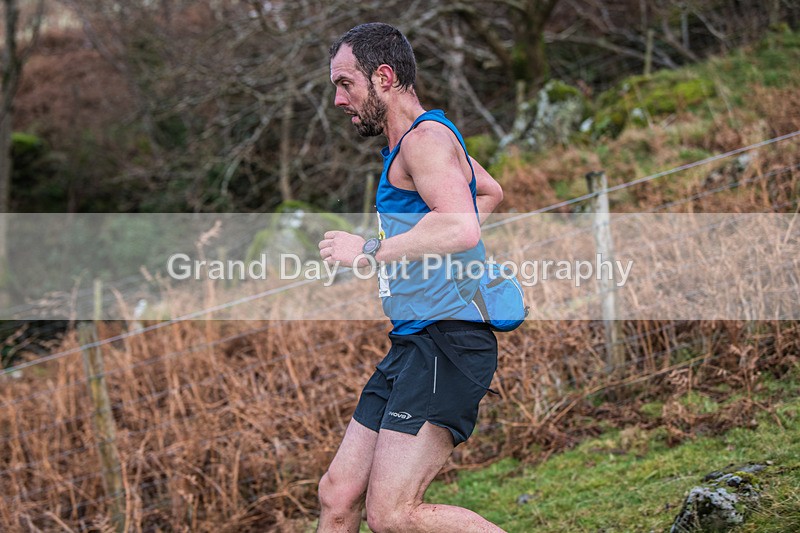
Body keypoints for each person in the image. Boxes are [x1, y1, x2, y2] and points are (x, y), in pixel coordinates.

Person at [317, 22, 505, 533]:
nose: (338, 99)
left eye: (344, 83)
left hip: (448, 342)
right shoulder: (419, 143)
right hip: (412, 342)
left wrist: (372, 250)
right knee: (339, 494)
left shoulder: (425, 140)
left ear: (383, 76)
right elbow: (488, 193)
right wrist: (431, 254)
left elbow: (462, 225)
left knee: (392, 515)